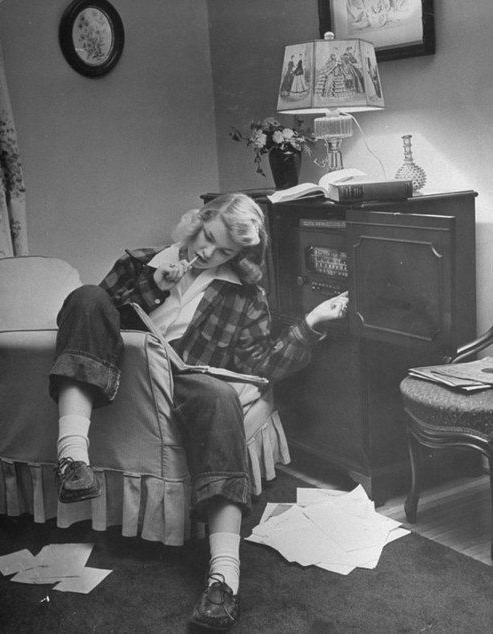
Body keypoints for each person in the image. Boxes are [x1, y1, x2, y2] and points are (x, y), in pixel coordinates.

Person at [48, 192, 349, 631]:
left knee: (219, 394)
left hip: (180, 381)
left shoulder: (245, 295)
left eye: (225, 250)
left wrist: (310, 323)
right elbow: (86, 324)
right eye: (208, 237)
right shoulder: (138, 263)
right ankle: (72, 458)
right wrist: (155, 288)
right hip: (120, 376)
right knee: (87, 294)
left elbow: (259, 365)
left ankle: (223, 580)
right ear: (199, 220)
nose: (208, 253)